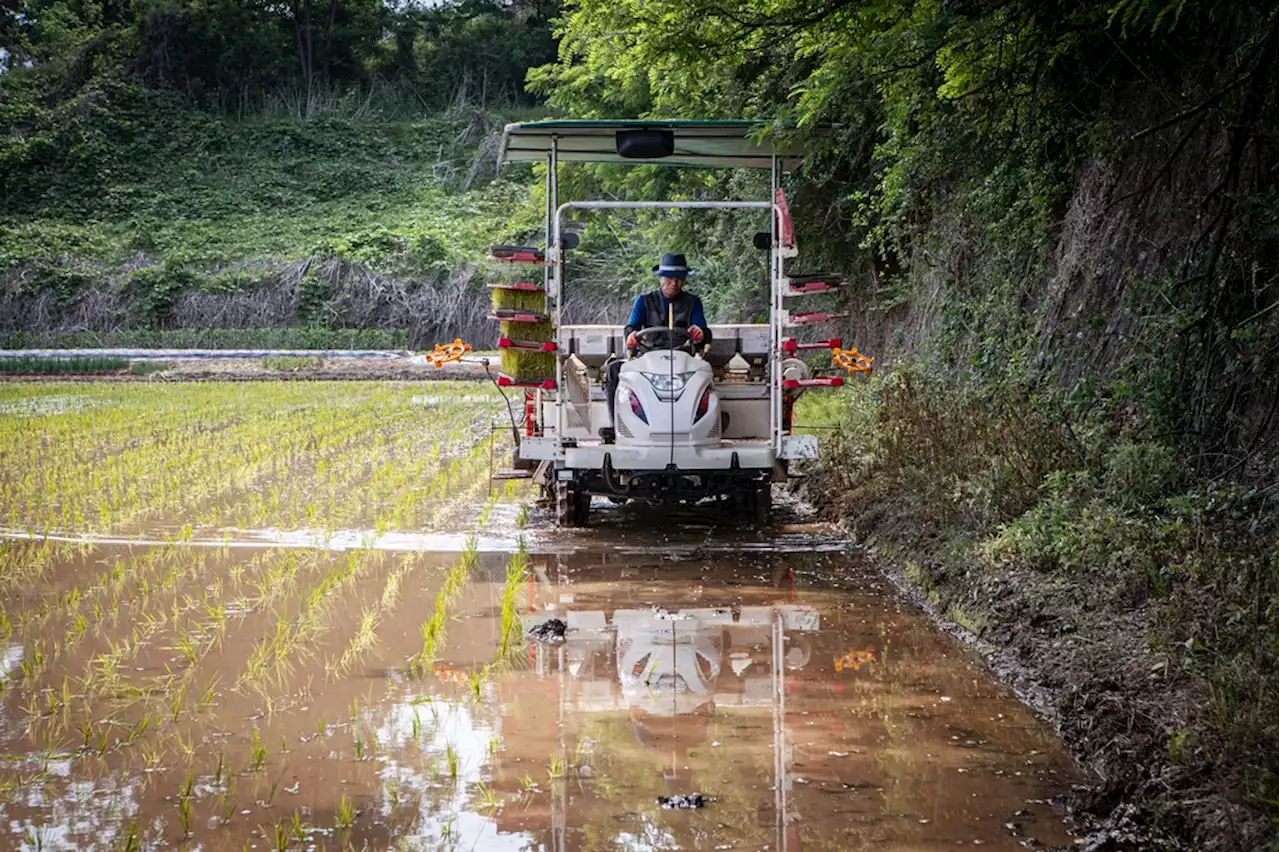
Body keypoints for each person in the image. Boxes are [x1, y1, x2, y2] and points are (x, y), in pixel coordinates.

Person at [601, 253, 712, 442]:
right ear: (660, 278)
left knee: (706, 374)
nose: (674, 283)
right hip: (647, 356)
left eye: (679, 279)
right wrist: (631, 337)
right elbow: (631, 327)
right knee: (614, 369)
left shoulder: (693, 302)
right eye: (669, 278)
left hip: (682, 357)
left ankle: (702, 427)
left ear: (684, 280)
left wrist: (700, 333)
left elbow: (703, 330)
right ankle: (616, 426)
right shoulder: (644, 301)